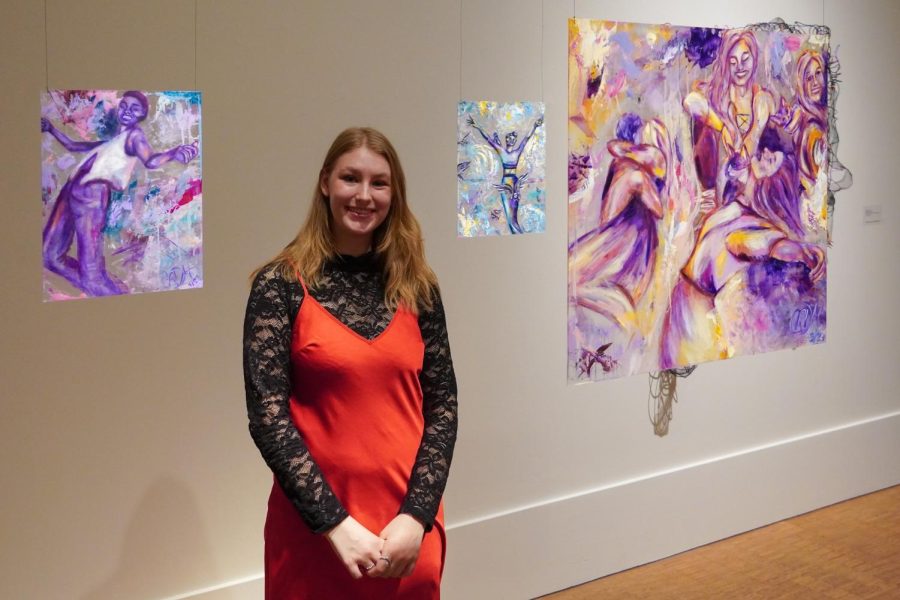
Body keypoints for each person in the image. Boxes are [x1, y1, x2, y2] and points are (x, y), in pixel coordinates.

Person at [242, 127, 458, 598]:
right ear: (325, 183)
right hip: (317, 531)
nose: (364, 195)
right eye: (350, 178)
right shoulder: (278, 285)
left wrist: (416, 517)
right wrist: (335, 525)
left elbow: (442, 407)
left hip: (405, 528)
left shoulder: (419, 288)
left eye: (379, 183)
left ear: (393, 193)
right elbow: (268, 417)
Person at [41, 91, 199, 296]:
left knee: (91, 275)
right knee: (49, 255)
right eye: (124, 105)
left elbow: (150, 160)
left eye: (135, 109)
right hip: (70, 191)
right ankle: (105, 293)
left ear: (141, 115)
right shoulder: (113, 141)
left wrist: (174, 152)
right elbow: (73, 145)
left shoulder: (135, 136)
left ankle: (115, 299)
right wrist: (52, 129)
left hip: (90, 198)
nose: (127, 111)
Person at [683, 29, 776, 211]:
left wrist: (751, 136)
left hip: (756, 195)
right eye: (733, 62)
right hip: (722, 194)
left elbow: (755, 141)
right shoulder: (720, 97)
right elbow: (689, 101)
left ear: (754, 58)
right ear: (726, 64)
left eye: (745, 59)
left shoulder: (761, 98)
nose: (740, 67)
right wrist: (725, 125)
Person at [465, 113, 543, 233]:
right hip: (506, 182)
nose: (511, 140)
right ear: (506, 140)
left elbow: (527, 138)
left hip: (514, 183)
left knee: (514, 213)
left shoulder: (517, 152)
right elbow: (488, 139)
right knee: (508, 213)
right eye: (508, 138)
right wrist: (476, 126)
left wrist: (535, 126)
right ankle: (515, 231)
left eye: (513, 139)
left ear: (515, 140)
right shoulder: (501, 151)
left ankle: (516, 231)